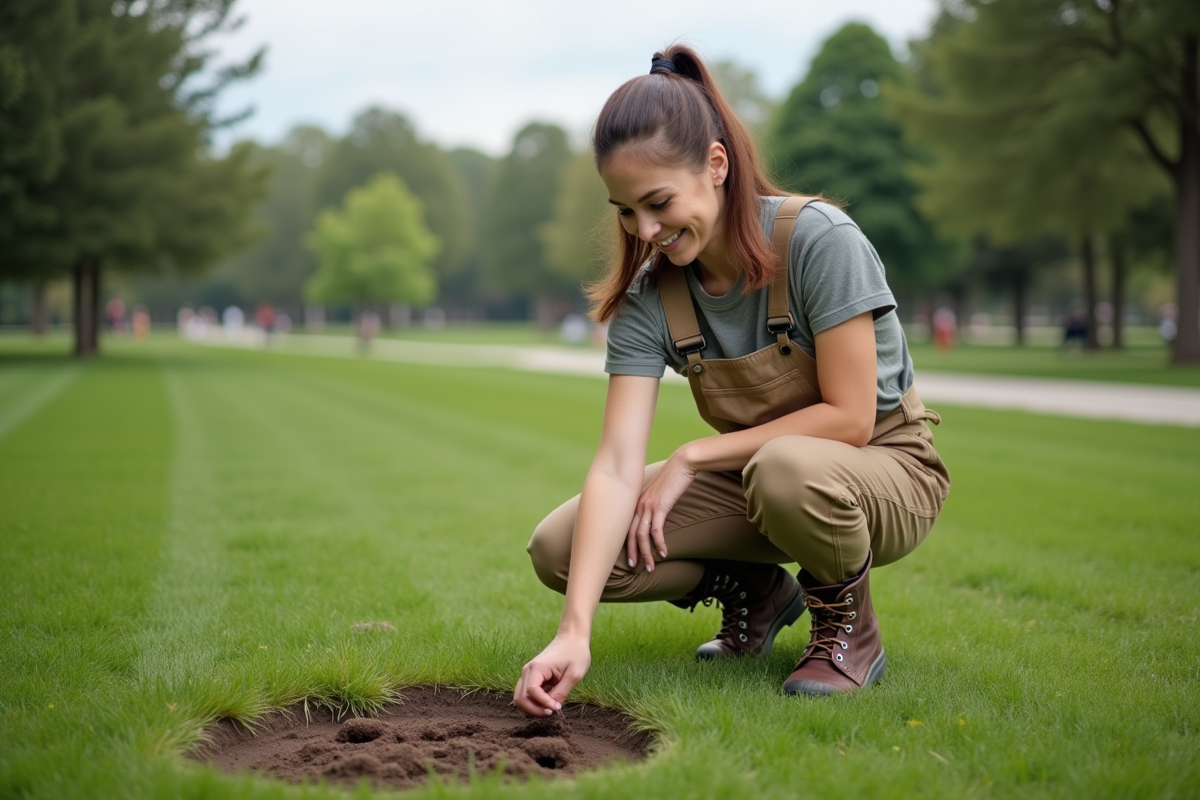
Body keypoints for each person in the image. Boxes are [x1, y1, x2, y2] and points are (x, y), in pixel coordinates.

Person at [513, 46, 951, 717]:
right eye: (626, 211)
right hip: (762, 480)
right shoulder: (648, 299)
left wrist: (694, 454)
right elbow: (616, 464)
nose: (646, 230)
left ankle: (849, 631)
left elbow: (851, 418)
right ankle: (757, 591)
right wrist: (574, 632)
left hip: (884, 471)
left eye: (658, 202)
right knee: (562, 550)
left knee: (783, 468)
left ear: (716, 165)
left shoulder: (819, 242)